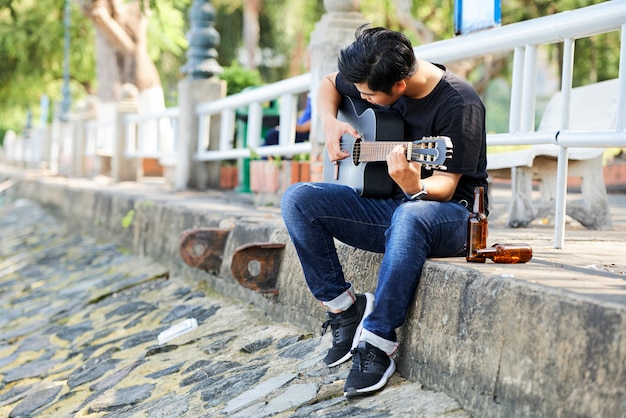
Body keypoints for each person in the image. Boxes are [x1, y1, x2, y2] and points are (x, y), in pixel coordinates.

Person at [281, 26, 488, 397]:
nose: (360, 97)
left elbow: (445, 186)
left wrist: (413, 187)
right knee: (298, 199)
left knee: (410, 215)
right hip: (388, 211)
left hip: (453, 216)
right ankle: (345, 310)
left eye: (367, 95)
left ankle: (377, 342)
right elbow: (330, 82)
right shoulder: (374, 71)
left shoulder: (460, 104)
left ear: (400, 87)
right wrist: (330, 124)